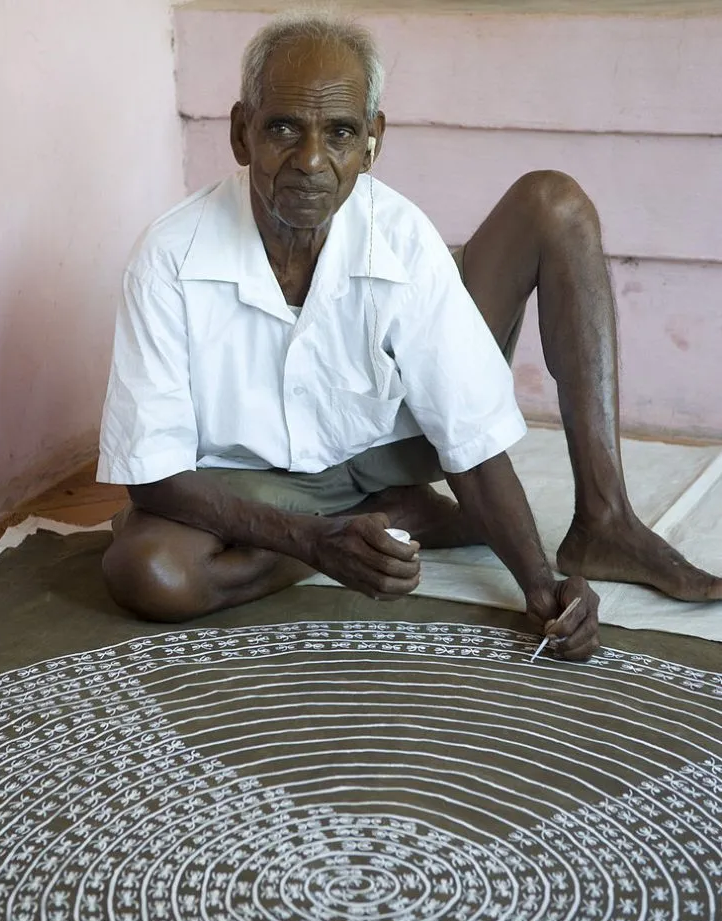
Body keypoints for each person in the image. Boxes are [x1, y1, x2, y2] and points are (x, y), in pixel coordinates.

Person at [97, 11, 719, 660]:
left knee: (544, 213)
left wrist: (541, 590)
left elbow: (469, 438)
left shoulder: (400, 237)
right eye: (283, 127)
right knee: (148, 573)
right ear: (240, 133)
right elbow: (154, 477)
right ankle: (384, 525)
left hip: (389, 447)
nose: (310, 161)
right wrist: (312, 541)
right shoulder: (170, 253)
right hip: (258, 476)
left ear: (372, 143)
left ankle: (580, 521)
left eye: (338, 133)